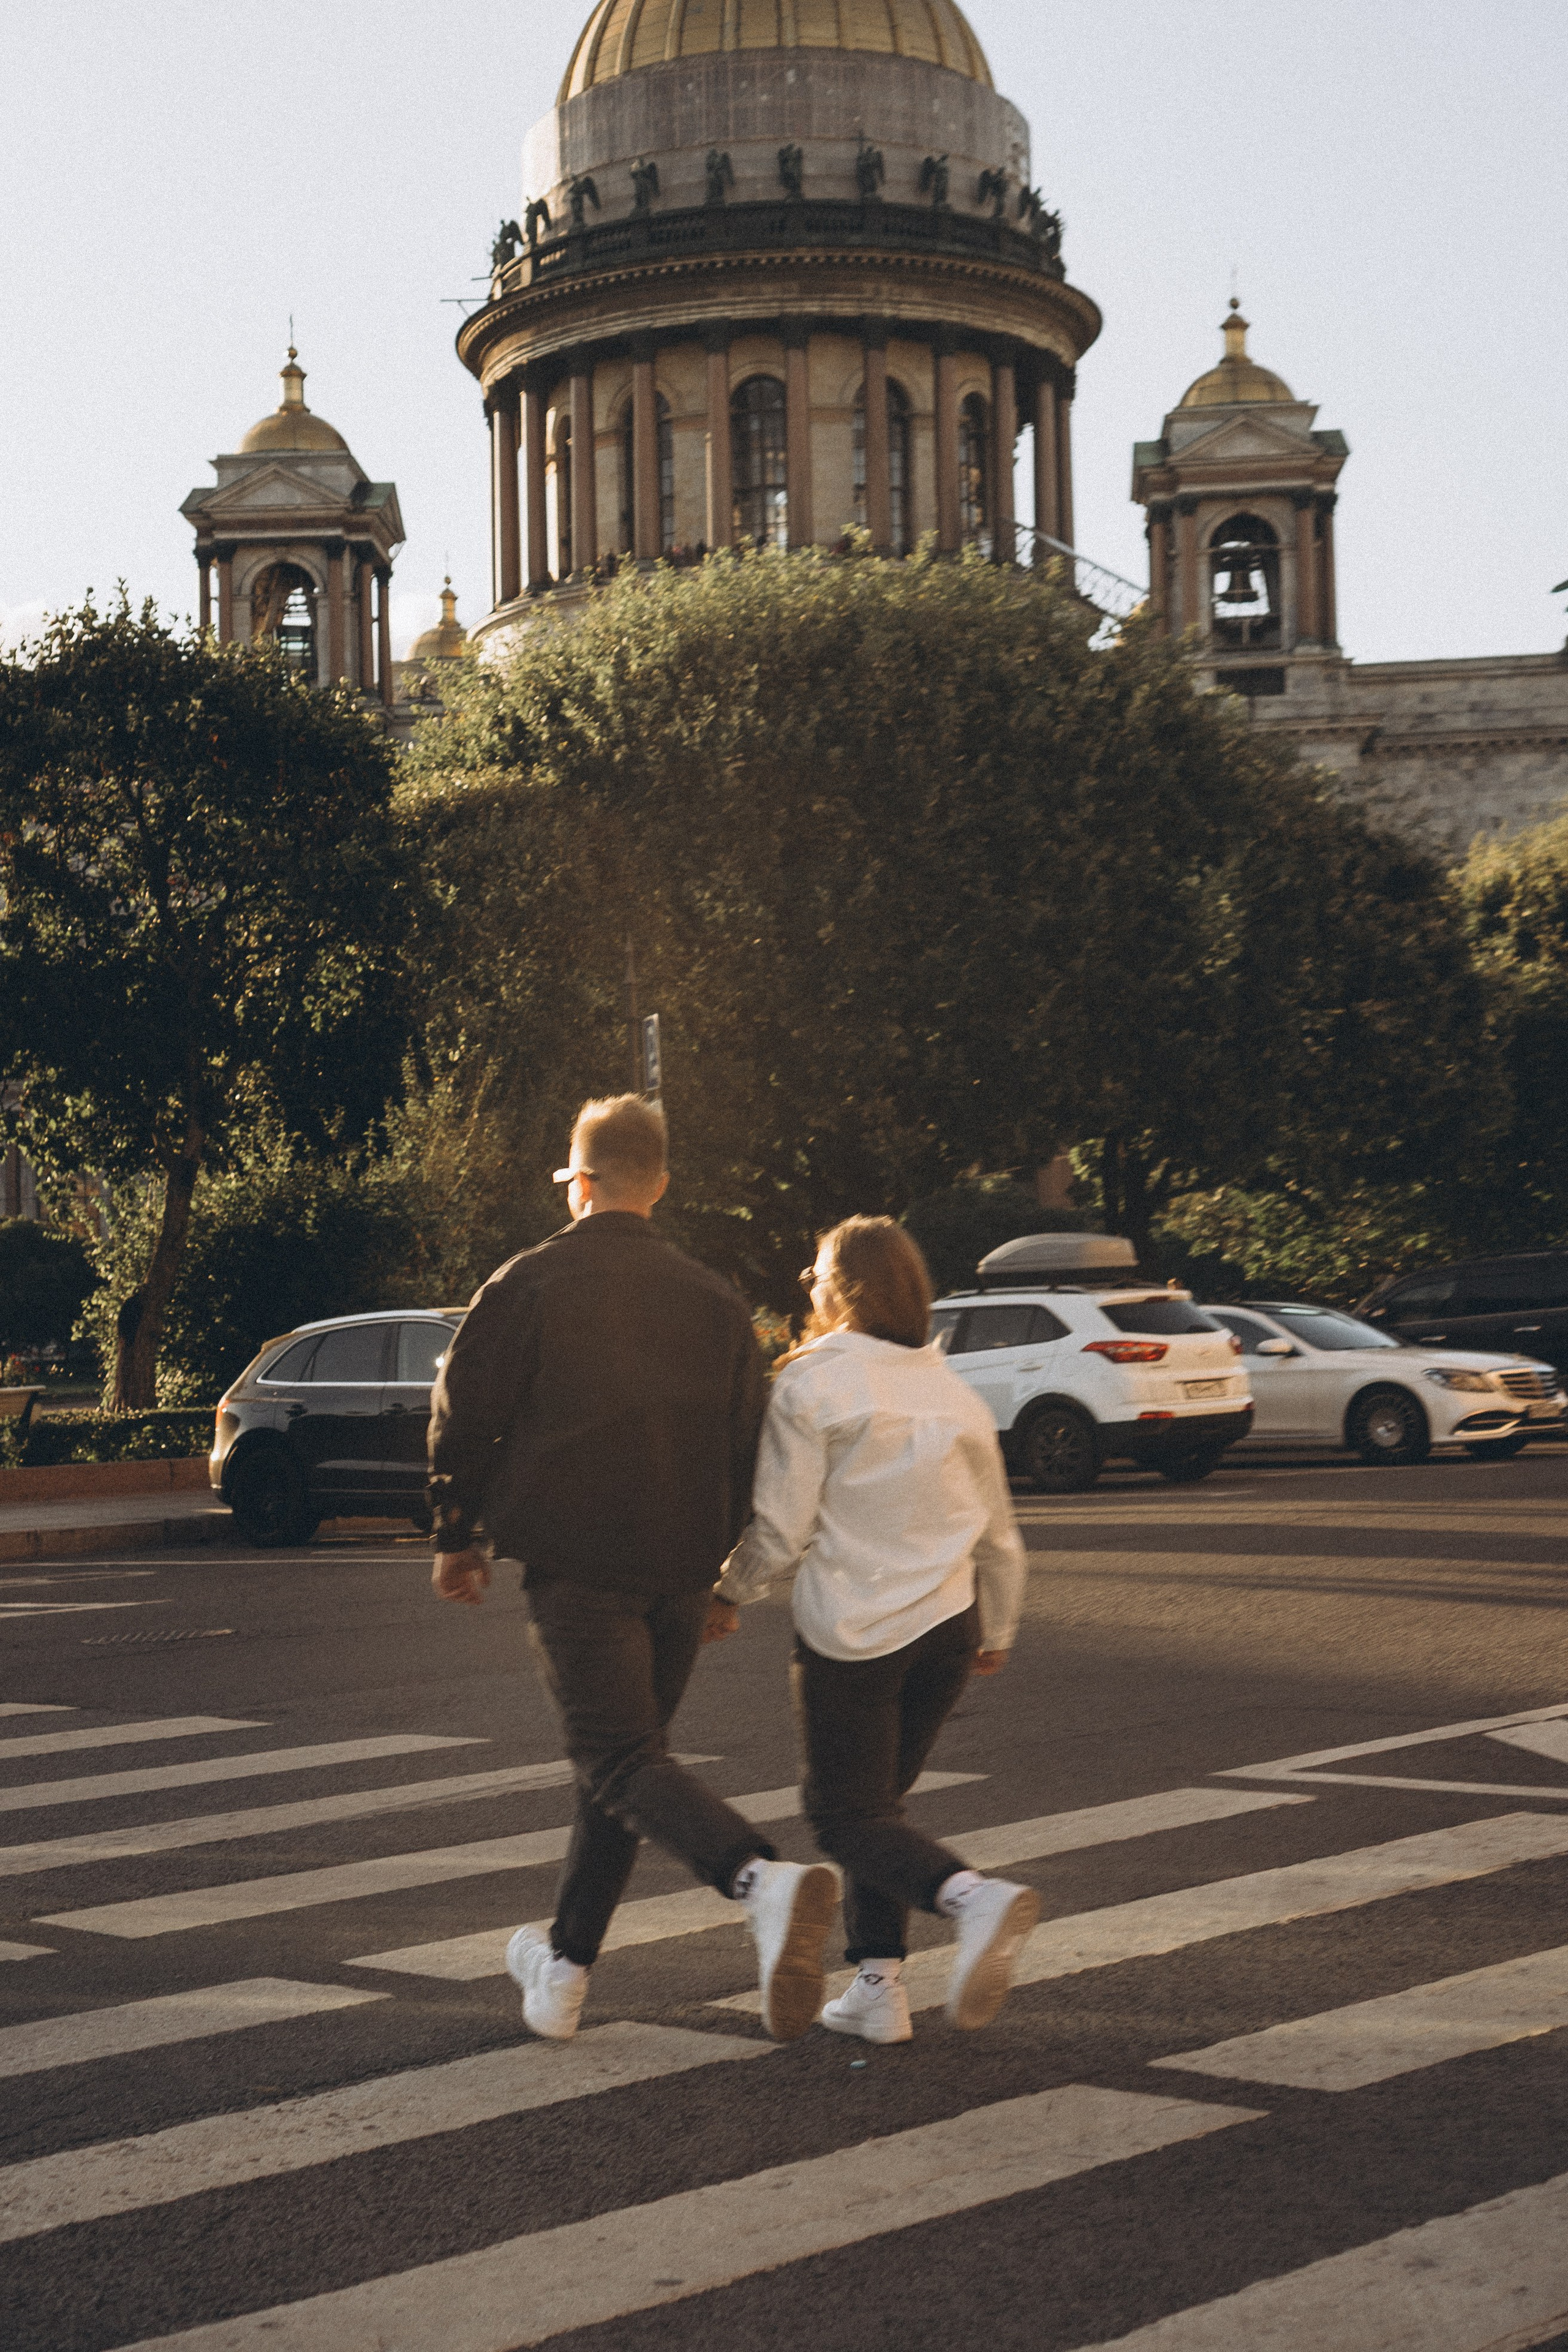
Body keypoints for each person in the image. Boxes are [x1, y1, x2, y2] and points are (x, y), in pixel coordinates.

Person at [428, 1095, 836, 2044]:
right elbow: (750, 1444)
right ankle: (565, 1972)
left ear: (582, 1181)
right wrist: (725, 1575)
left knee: (617, 1758)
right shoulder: (717, 1298)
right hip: (681, 1573)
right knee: (622, 1767)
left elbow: (465, 1408)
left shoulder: (529, 1281)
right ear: (660, 1183)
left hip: (579, 1565)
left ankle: (756, 1879)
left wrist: (457, 1530)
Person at [714, 1216, 1035, 2045]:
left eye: (817, 1271)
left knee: (843, 1816)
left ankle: (970, 1897)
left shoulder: (814, 1386)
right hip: (951, 1627)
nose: (807, 1283)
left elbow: (781, 1532)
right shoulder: (953, 1391)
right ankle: (877, 1987)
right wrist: (996, 1627)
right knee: (881, 1810)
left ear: (848, 1289)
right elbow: (1000, 1533)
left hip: (856, 1631)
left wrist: (727, 1590)